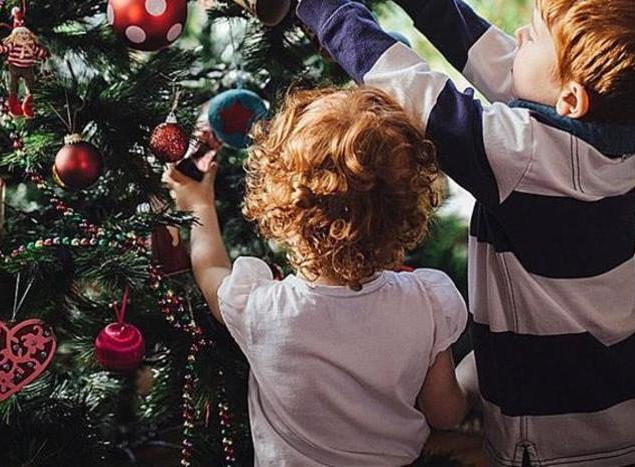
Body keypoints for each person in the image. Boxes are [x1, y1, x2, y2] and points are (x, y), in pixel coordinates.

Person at [241, 0, 635, 466]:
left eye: (533, 35)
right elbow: (499, 62)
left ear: (572, 98)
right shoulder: (618, 133)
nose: (517, 34)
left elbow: (413, 89)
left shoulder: (528, 159)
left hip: (582, 448)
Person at [164, 85, 470, 466]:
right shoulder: (427, 302)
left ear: (283, 210)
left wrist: (198, 203)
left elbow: (210, 268)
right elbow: (445, 414)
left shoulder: (262, 308)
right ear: (405, 210)